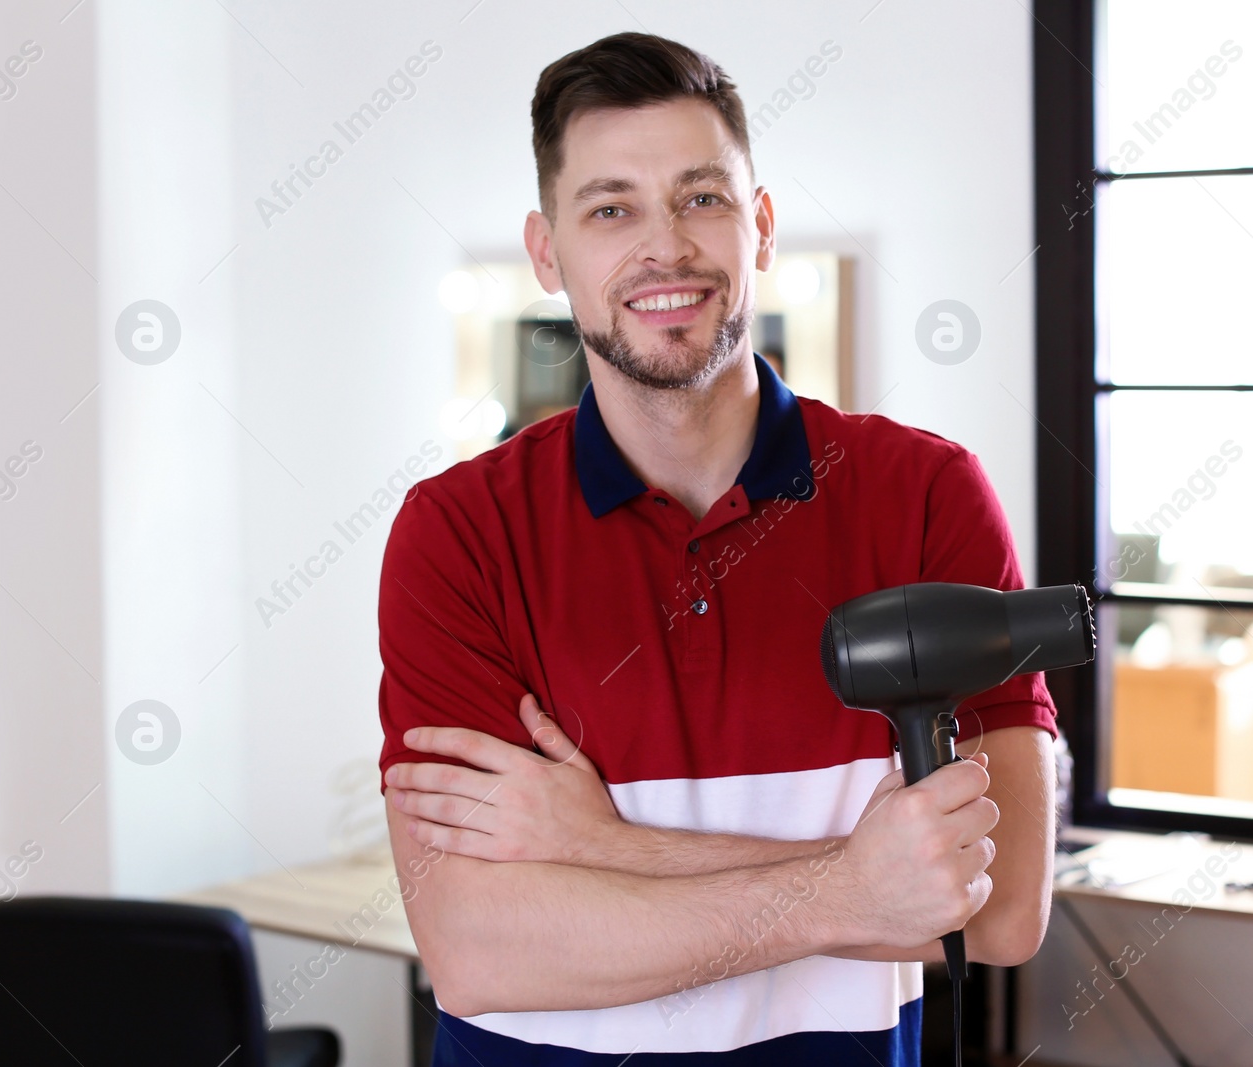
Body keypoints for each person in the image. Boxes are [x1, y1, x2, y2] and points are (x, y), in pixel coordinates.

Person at [376, 31, 1057, 1065]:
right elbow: (479, 947)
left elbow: (1001, 911)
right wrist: (852, 887)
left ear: (762, 226)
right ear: (547, 251)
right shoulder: (458, 533)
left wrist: (607, 850)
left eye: (702, 197)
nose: (666, 249)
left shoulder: (923, 496)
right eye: (611, 208)